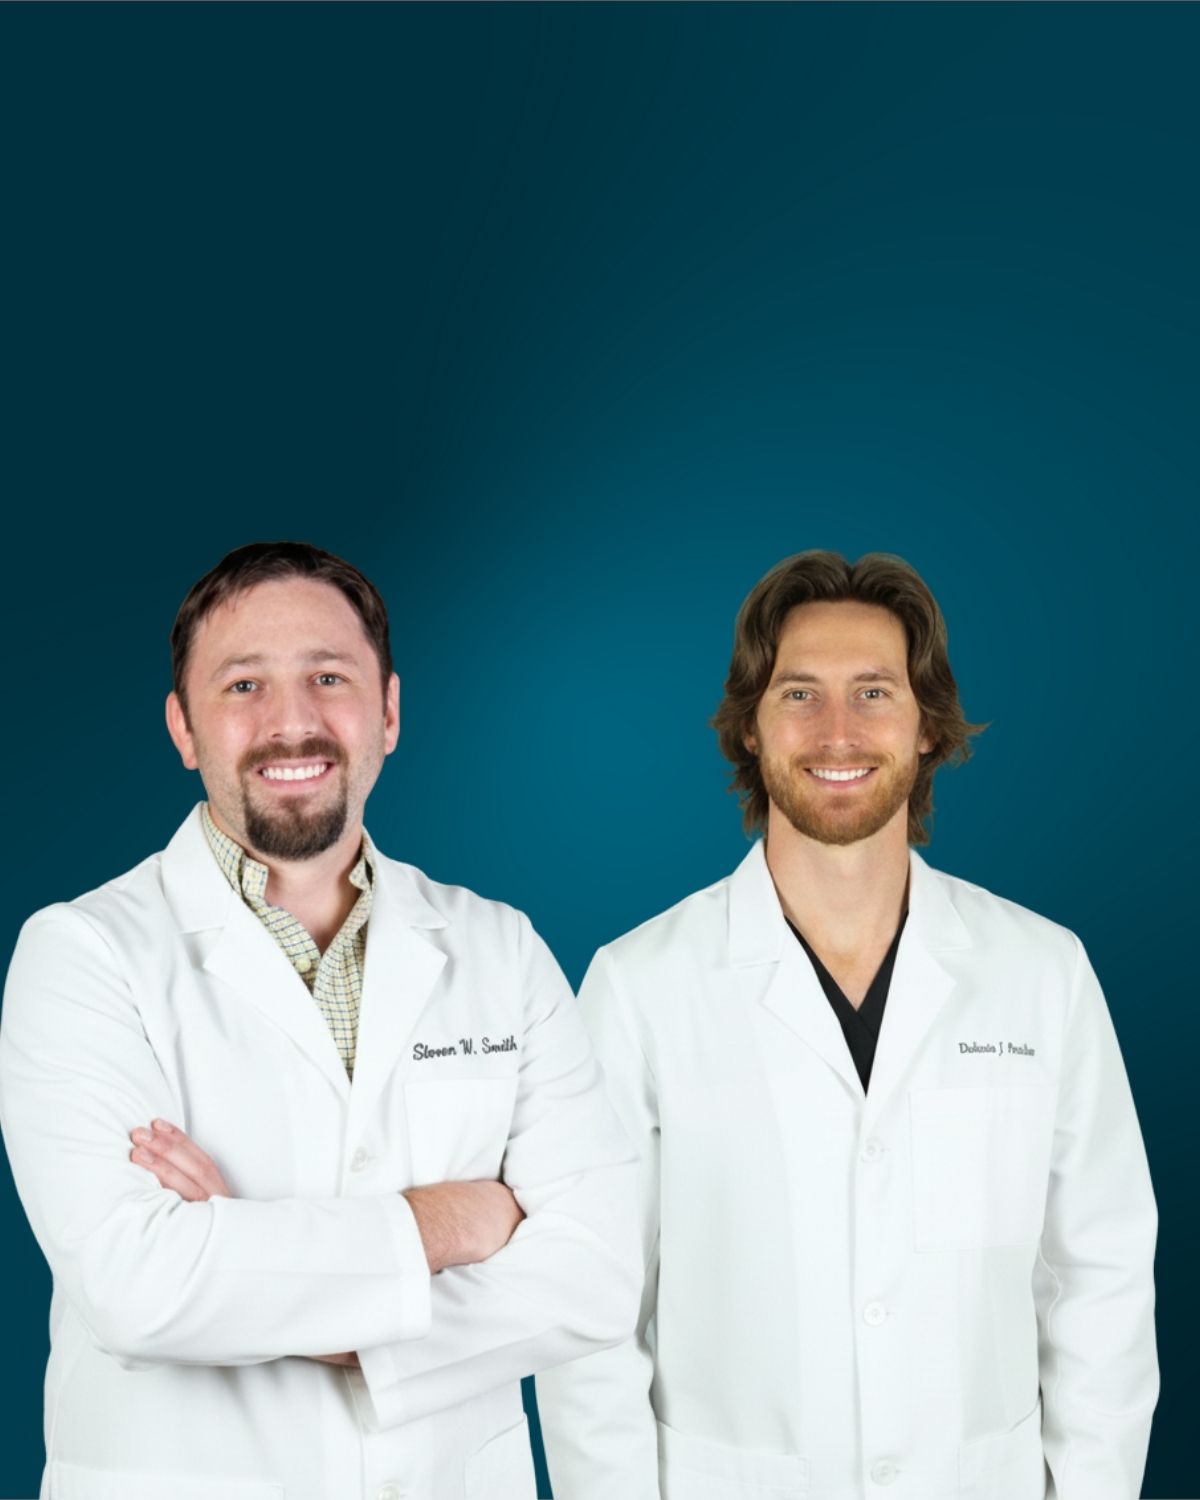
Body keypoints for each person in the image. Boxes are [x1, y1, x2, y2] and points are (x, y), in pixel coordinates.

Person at [0, 541, 640, 1500]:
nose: (291, 723)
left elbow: (596, 1275)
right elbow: (139, 1290)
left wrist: (262, 1269)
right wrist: (457, 1219)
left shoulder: (499, 950)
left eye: (329, 677)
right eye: (244, 684)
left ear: (388, 711)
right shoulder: (82, 955)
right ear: (184, 729)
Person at [536, 550, 1158, 1500]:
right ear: (750, 726)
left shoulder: (1043, 973)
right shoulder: (637, 988)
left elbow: (1101, 1280)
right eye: (799, 695)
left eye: (874, 692)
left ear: (925, 728)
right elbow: (590, 1319)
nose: (837, 730)